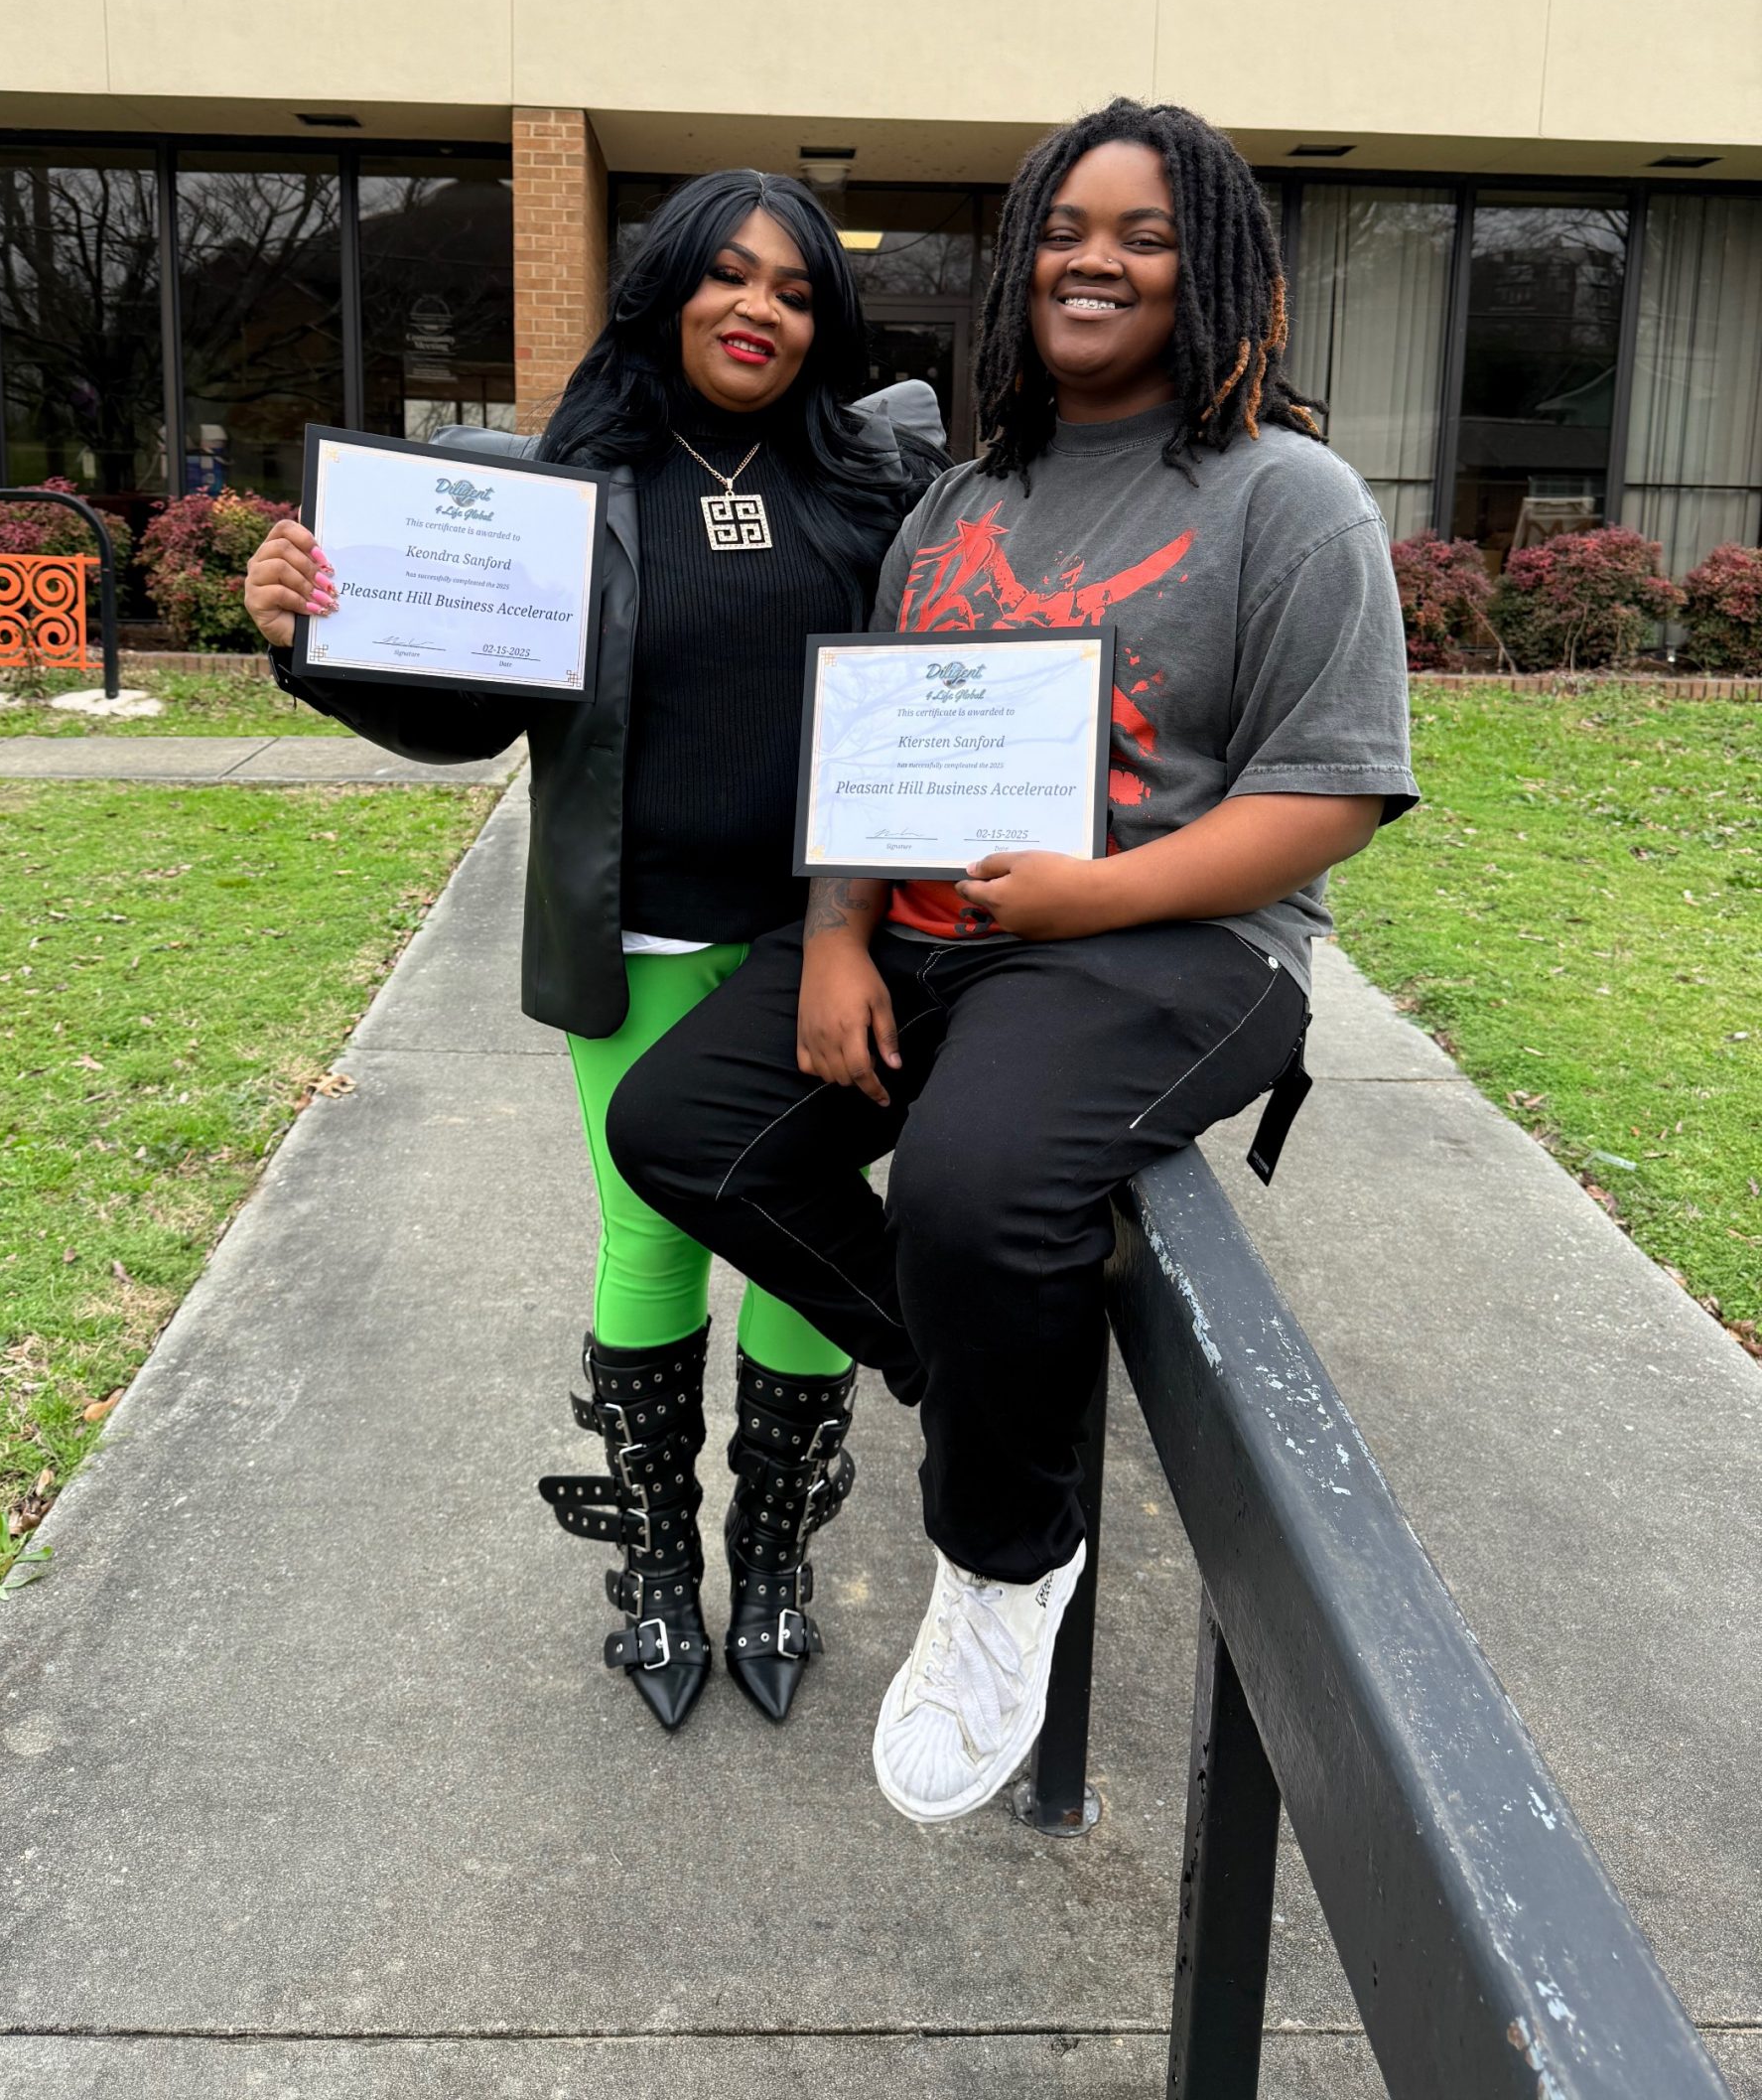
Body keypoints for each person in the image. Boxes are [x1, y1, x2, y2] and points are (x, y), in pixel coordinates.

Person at [607, 100, 1419, 1821]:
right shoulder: (959, 502)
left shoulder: (1292, 498)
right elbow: (873, 746)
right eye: (1063, 231)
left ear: (1213, 272)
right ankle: (978, 1366)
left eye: (1143, 235)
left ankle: (1004, 1560)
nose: (1092, 262)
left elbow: (1332, 793)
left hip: (1175, 944)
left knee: (971, 1194)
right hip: (931, 927)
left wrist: (1093, 898)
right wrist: (838, 934)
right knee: (680, 1130)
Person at [242, 171, 946, 1732]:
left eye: (796, 290)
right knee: (652, 1233)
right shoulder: (574, 489)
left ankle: (774, 1554)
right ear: (668, 290)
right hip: (639, 934)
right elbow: (466, 711)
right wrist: (309, 637)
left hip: (828, 945)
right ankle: (654, 1565)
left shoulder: (872, 487)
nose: (760, 309)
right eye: (729, 275)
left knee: (799, 1239)